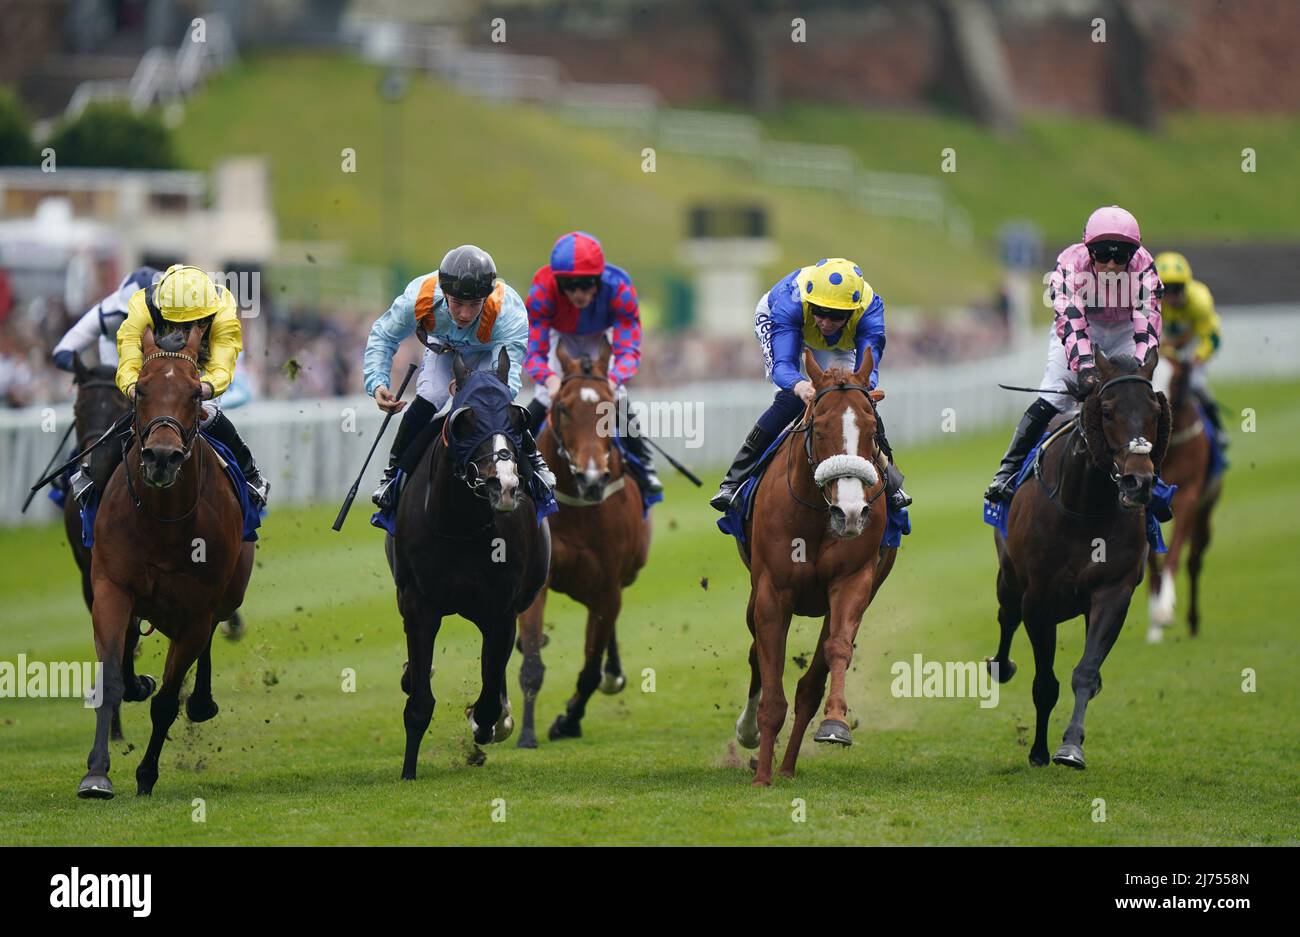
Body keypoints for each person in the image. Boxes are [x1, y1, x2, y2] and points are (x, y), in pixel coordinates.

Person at [984, 205, 1163, 503]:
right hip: (1080, 329)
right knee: (1054, 396)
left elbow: (1147, 323)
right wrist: (1086, 368)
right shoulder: (1070, 263)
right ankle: (1007, 471)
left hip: (1124, 331)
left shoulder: (1145, 267)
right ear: (1089, 250)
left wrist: (1142, 369)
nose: (1110, 265)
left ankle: (1154, 477)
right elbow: (1072, 320)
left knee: (1140, 399)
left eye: (1120, 257)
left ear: (1132, 255)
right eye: (1103, 255)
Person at [709, 257, 911, 512]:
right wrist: (799, 385)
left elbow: (869, 369)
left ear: (852, 312)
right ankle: (734, 479)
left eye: (835, 316)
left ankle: (891, 479)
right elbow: (784, 366)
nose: (825, 322)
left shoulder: (870, 311)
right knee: (791, 400)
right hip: (783, 323)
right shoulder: (790, 301)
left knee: (856, 403)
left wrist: (862, 390)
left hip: (839, 344)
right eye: (820, 312)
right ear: (810, 304)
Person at [365, 245, 553, 509]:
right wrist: (377, 382)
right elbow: (384, 335)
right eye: (457, 303)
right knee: (431, 396)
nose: (465, 314)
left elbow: (506, 384)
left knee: (494, 406)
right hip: (446, 352)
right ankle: (393, 473)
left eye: (475, 304)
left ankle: (535, 466)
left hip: (490, 356)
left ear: (487, 297)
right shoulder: (420, 297)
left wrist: (469, 390)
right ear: (444, 292)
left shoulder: (508, 312)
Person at [115, 264, 269, 505]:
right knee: (137, 414)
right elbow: (128, 362)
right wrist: (135, 389)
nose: (182, 333)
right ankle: (93, 477)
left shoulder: (223, 308)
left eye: (191, 325)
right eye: (174, 323)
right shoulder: (141, 305)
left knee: (208, 414)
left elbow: (222, 368)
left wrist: (199, 390)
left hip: (201, 371)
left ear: (207, 316)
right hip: (156, 371)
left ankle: (251, 474)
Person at [523, 230, 662, 494]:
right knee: (544, 394)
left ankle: (643, 465)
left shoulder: (619, 287)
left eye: (586, 284)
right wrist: (550, 379)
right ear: (558, 283)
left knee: (616, 393)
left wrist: (612, 380)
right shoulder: (542, 290)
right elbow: (534, 353)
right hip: (559, 335)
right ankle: (517, 460)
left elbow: (628, 350)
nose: (578, 293)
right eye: (569, 286)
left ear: (598, 279)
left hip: (601, 334)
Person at [1153, 251, 1226, 447]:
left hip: (1192, 347)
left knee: (1196, 383)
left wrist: (1198, 357)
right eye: (1165, 289)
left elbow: (1212, 337)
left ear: (1186, 286)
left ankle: (1218, 430)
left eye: (1176, 289)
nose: (1170, 296)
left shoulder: (1199, 301)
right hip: (1163, 347)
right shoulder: (1149, 301)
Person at [52, 266, 161, 372]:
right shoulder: (108, 314)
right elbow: (62, 351)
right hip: (114, 345)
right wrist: (84, 373)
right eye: (129, 315)